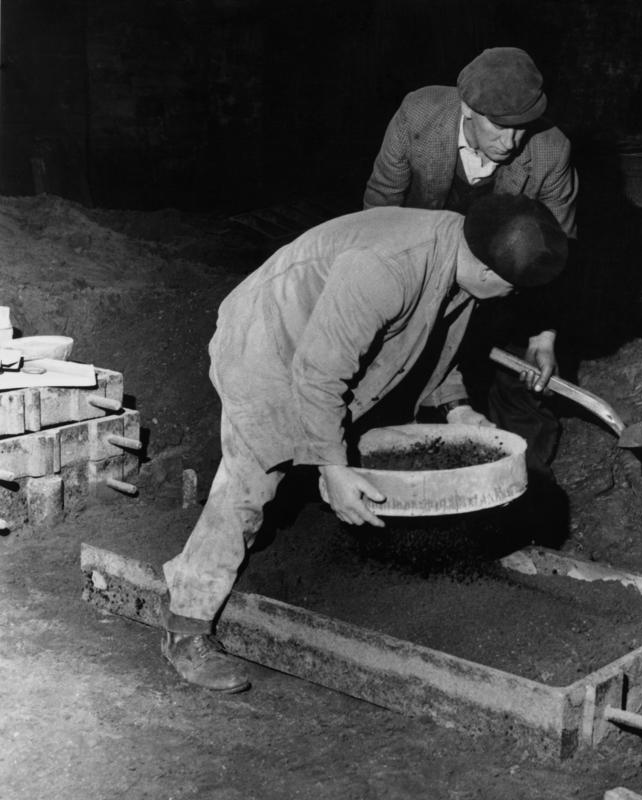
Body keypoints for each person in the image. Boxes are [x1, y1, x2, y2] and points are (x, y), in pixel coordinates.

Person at [160, 195, 567, 692]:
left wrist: (457, 407)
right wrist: (331, 467)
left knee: (364, 442)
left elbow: (427, 343)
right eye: (510, 287)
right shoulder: (388, 268)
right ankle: (186, 626)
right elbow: (318, 375)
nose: (509, 297)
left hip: (324, 350)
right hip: (267, 343)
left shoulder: (460, 254)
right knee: (252, 479)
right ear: (485, 269)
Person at [364, 47, 578, 493]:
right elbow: (379, 215)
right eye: (499, 126)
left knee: (526, 391)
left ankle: (517, 498)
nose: (512, 142)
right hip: (419, 270)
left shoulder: (551, 151)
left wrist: (543, 337)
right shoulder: (419, 116)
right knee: (395, 386)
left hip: (506, 286)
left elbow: (554, 256)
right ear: (468, 109)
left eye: (523, 128)